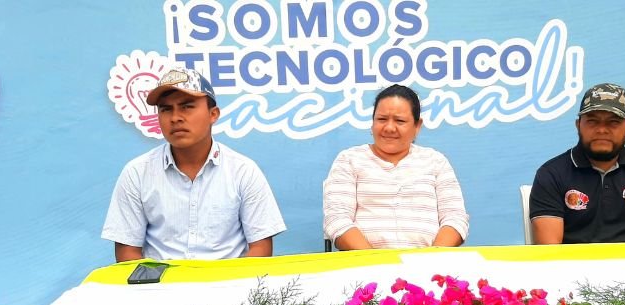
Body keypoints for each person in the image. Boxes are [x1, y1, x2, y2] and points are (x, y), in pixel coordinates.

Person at [102, 67, 286, 261]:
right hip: (159, 288)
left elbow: (260, 248)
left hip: (228, 287)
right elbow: (127, 252)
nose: (175, 118)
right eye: (166, 109)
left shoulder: (243, 171)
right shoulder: (137, 173)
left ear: (213, 114)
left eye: (187, 106)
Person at [323, 84, 469, 250]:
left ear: (417, 126)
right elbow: (337, 220)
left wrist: (431, 261)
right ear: (372, 123)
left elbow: (455, 218)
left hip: (428, 267)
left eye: (400, 121)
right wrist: (378, 263)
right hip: (365, 267)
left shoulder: (436, 161)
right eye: (382, 119)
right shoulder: (349, 160)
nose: (389, 128)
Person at [529, 83, 625, 244]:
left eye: (613, 122)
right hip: (572, 269)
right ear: (578, 125)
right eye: (592, 121)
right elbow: (549, 255)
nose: (602, 129)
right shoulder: (551, 175)